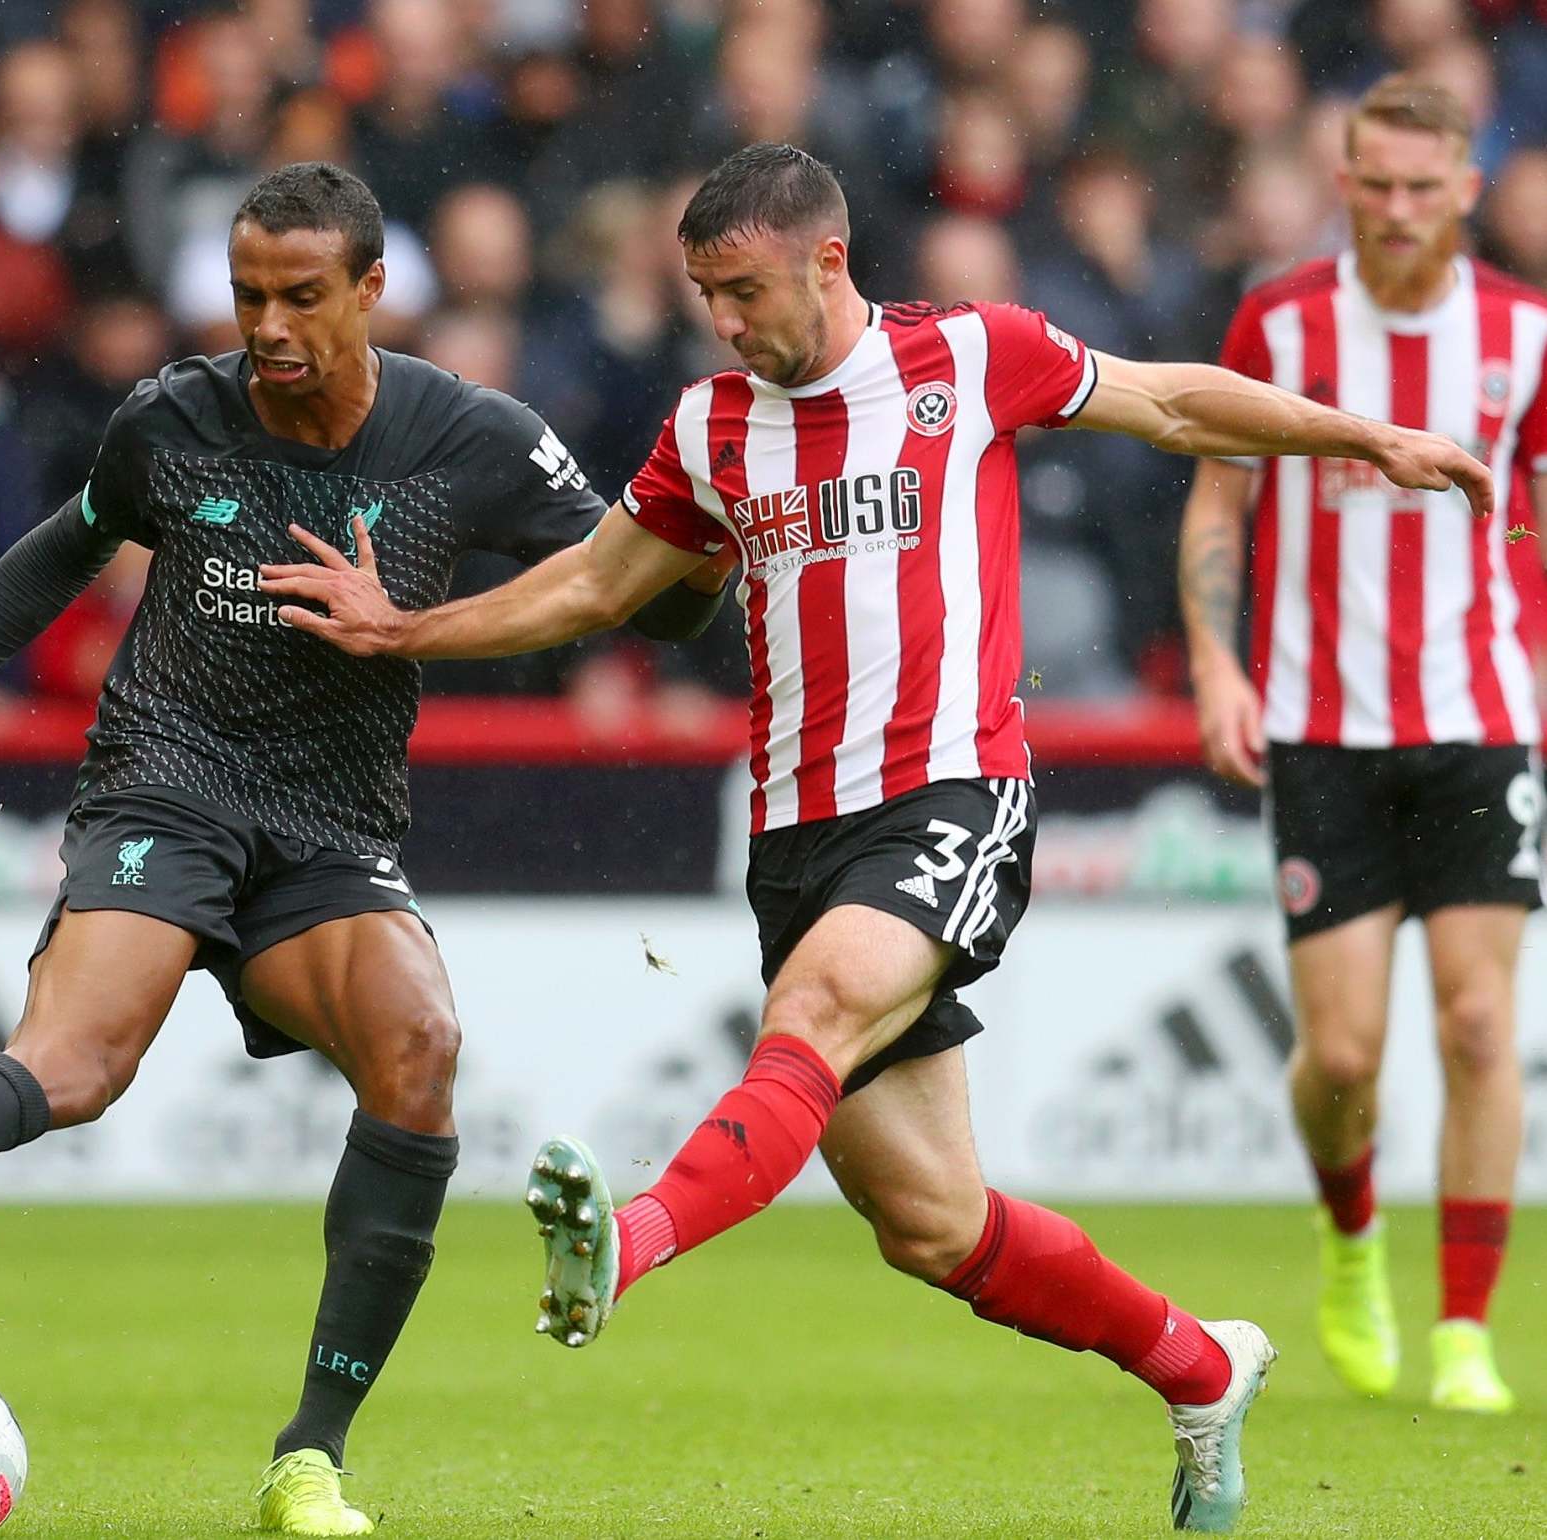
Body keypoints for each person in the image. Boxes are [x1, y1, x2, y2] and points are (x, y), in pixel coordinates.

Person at [260, 142, 1493, 1534]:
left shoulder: (971, 358)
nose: (723, 321)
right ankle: (1200, 1367)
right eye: (701, 295)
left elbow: (1170, 402)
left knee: (819, 1005)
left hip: (954, 796)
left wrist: (1361, 436)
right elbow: (596, 586)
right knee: (931, 1224)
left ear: (826, 261)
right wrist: (406, 630)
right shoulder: (711, 427)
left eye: (741, 289)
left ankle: (633, 1245)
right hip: (795, 838)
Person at [0, 161, 723, 1539]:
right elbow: (57, 550)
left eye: (298, 296)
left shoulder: (469, 437)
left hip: (332, 825)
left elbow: (646, 606)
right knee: (77, 1063)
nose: (266, 325)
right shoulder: (173, 419)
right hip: (166, 785)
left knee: (418, 1051)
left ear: (369, 290)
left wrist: (701, 558)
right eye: (245, 295)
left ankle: (309, 1464)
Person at [1180, 75, 1539, 1416]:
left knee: (1474, 1017)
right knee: (1337, 1059)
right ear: (1342, 182)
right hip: (1317, 728)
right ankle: (1348, 1244)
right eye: (1372, 184)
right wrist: (1217, 660)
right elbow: (1217, 503)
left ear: (1465, 188)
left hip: (1474, 721)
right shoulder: (1280, 321)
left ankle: (1462, 1329)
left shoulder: (1526, 336)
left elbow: (1532, 529)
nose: (1395, 210)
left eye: (1420, 187)